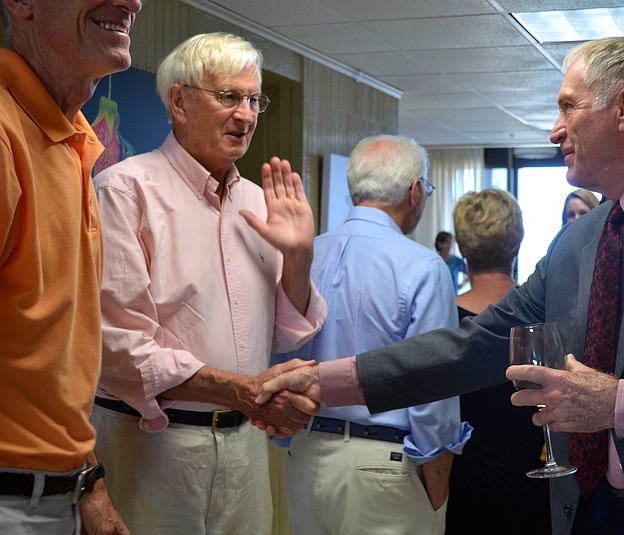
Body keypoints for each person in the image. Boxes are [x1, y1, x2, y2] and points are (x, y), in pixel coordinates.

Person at [259, 37, 624, 535]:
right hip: (590, 514)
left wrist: (619, 403)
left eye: (568, 106)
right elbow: (474, 344)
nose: (554, 128)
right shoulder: (577, 241)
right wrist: (324, 379)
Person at [90, 32, 327, 534]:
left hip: (246, 448)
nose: (246, 115)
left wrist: (299, 258)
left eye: (254, 100)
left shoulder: (258, 202)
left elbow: (288, 335)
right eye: (228, 97)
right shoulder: (125, 190)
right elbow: (119, 345)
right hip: (150, 447)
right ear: (179, 102)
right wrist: (241, 390)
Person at [272, 135, 470, 535]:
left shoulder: (303, 255)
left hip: (305, 458)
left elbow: (280, 357)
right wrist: (437, 486)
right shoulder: (424, 267)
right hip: (384, 467)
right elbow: (432, 388)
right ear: (415, 191)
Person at [1, 1, 143, 533]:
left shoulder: (73, 138)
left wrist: (88, 481)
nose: (132, 1)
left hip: (55, 495)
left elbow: (49, 362)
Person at [443, 189, 549, 534]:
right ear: (517, 244)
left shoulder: (445, 320)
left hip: (463, 485)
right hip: (536, 482)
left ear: (463, 248)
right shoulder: (544, 316)